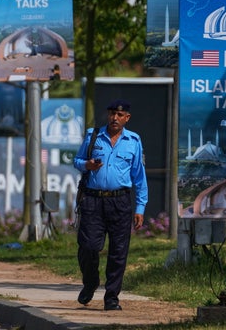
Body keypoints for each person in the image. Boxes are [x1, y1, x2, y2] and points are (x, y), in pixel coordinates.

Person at [72, 99, 148, 310]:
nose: (115, 118)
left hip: (120, 202)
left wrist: (140, 207)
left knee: (118, 252)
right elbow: (77, 161)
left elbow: (139, 177)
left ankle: (112, 298)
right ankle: (90, 282)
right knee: (88, 247)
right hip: (93, 200)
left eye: (120, 115)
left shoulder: (134, 141)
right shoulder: (93, 135)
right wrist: (87, 165)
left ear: (127, 118)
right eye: (112, 113)